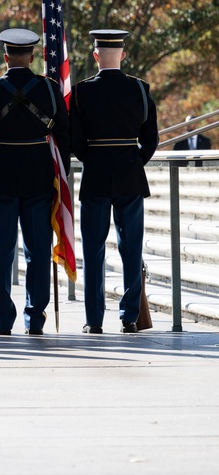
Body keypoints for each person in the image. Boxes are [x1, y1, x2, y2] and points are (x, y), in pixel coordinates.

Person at [0, 29, 69, 336]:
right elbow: (64, 135)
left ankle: (2, 319)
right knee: (38, 251)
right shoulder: (49, 90)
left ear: (6, 56)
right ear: (33, 56)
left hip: (1, 177)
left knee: (0, 252)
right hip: (39, 177)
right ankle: (34, 317)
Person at [70, 29, 158, 334]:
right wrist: (134, 161)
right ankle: (129, 316)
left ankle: (94, 319)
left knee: (94, 249)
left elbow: (76, 142)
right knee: (131, 247)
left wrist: (93, 158)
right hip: (130, 175)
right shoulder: (140, 89)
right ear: (122, 55)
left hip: (95, 173)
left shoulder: (81, 92)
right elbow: (151, 139)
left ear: (96, 56)